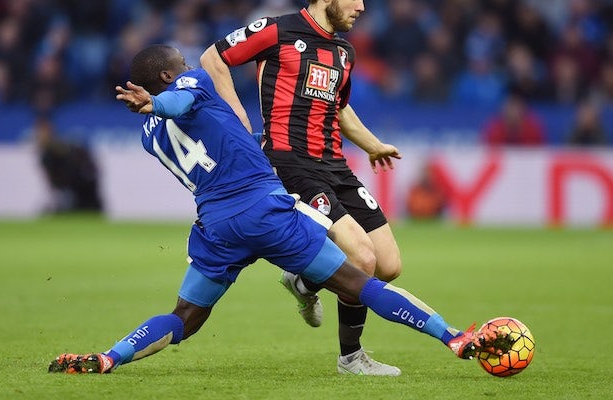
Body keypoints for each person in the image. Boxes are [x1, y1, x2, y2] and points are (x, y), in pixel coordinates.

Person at [48, 45, 493, 375]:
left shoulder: (149, 135)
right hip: (264, 208)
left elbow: (178, 117)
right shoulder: (189, 85)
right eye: (181, 62)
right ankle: (452, 337)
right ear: (168, 73)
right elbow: (181, 101)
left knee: (184, 317)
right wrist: (161, 101)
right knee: (360, 278)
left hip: (216, 226)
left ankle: (110, 356)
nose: (189, 66)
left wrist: (152, 109)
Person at [200, 0, 404, 375]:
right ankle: (352, 358)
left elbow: (340, 109)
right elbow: (213, 58)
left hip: (335, 163)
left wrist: (372, 144)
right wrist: (238, 115)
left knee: (388, 266)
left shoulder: (344, 51)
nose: (362, 7)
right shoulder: (277, 30)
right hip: (290, 162)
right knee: (362, 260)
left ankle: (303, 279)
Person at [34, 116, 103, 213]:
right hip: (71, 197)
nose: (41, 136)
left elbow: (88, 174)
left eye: (43, 132)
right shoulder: (46, 156)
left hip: (84, 199)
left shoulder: (65, 150)